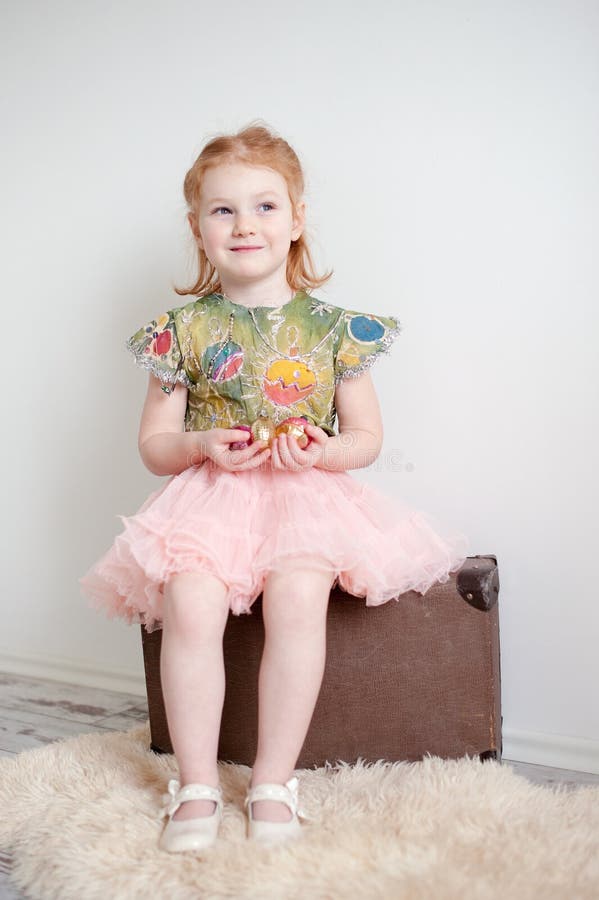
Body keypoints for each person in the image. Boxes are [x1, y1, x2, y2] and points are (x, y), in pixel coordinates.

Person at [79, 122, 469, 854]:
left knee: (297, 600)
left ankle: (271, 780)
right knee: (189, 604)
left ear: (295, 222)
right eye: (222, 210)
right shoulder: (180, 332)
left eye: (264, 206)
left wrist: (324, 451)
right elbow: (155, 447)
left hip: (304, 501)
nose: (244, 224)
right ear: (197, 229)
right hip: (211, 502)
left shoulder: (334, 329)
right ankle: (195, 783)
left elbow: (364, 440)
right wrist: (198, 444)